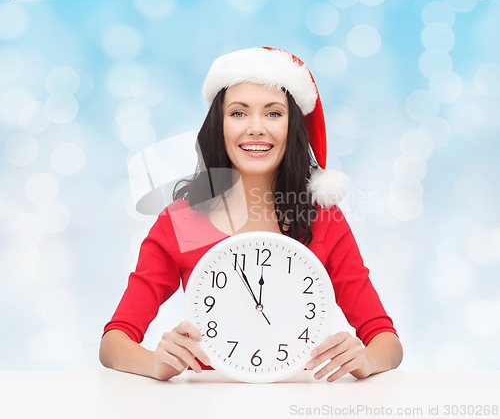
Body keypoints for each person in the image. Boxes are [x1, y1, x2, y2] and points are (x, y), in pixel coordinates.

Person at [99, 47, 403, 382]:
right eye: (239, 113)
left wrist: (366, 358)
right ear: (220, 125)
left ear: (293, 127)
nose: (256, 128)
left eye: (273, 114)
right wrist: (155, 363)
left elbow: (386, 341)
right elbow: (114, 342)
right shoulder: (184, 222)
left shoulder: (322, 220)